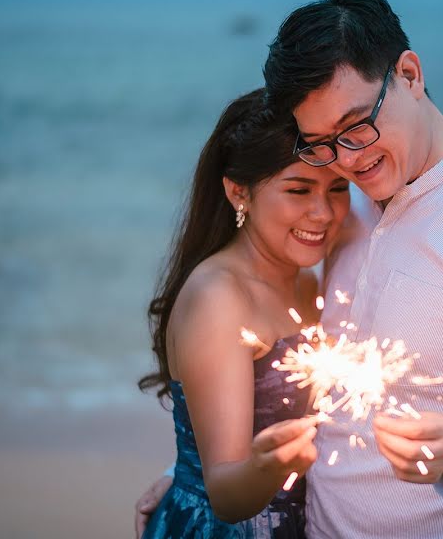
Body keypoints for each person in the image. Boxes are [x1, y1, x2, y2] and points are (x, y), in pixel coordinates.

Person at [139, 0, 443, 539]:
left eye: (357, 124)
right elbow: (305, 385)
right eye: (320, 143)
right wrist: (196, 473)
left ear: (410, 75)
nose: (349, 158)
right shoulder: (344, 205)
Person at [136, 88, 351, 538]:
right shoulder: (220, 299)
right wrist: (268, 465)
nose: (323, 212)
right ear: (239, 193)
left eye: (338, 188)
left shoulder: (309, 281)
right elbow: (227, 495)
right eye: (298, 189)